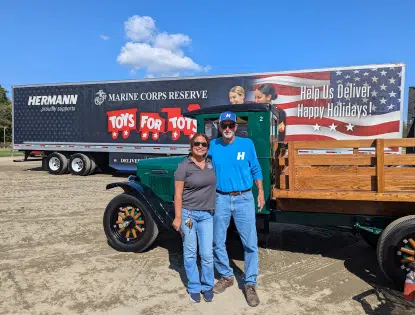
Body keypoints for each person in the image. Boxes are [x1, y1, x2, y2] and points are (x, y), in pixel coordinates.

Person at [207, 111, 265, 307]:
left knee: (250, 243)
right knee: (217, 241)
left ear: (236, 127)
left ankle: (250, 283)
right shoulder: (213, 145)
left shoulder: (246, 144)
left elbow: (256, 168)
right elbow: (204, 169)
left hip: (244, 198)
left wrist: (261, 192)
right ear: (220, 127)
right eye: (224, 125)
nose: (228, 129)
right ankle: (226, 276)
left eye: (231, 125)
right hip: (220, 198)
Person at [172, 133, 217, 303]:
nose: (200, 146)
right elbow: (177, 195)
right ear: (191, 146)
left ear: (207, 147)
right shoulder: (184, 166)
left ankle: (207, 286)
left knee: (206, 254)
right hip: (188, 214)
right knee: (190, 252)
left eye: (204, 144)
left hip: (206, 215)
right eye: (197, 143)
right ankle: (194, 287)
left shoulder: (211, 164)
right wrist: (177, 217)